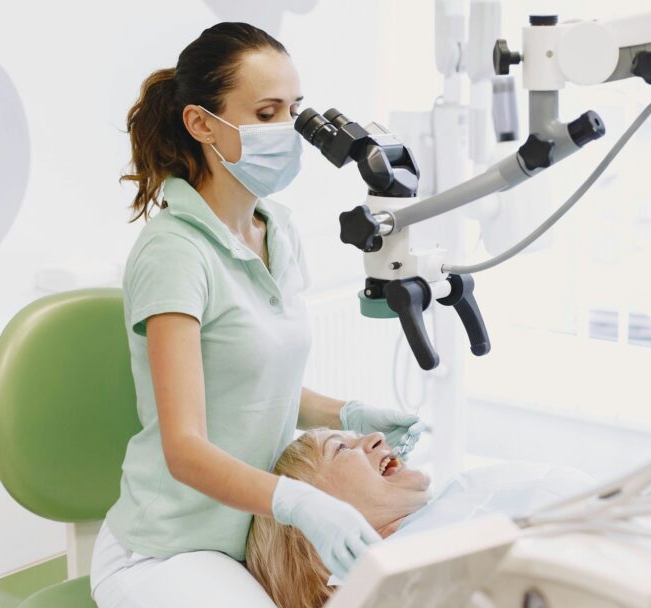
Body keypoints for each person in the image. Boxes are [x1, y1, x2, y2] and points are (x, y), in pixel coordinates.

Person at [89, 22, 425, 607]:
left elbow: (249, 385)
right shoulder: (175, 252)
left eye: (294, 111)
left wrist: (343, 411)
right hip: (168, 548)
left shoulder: (279, 230)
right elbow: (185, 447)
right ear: (200, 123)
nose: (287, 131)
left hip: (248, 536)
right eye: (266, 112)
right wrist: (299, 501)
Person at [245, 430, 593, 608]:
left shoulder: (454, 500)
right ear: (312, 527)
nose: (376, 437)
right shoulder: (396, 592)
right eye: (340, 448)